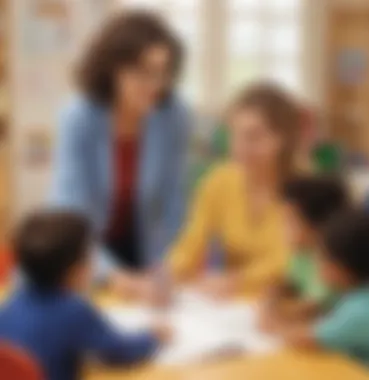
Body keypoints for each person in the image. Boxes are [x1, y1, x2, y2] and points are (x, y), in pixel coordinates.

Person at [49, 11, 191, 295]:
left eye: (162, 72)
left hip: (146, 251)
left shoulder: (174, 116)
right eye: (143, 72)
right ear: (113, 68)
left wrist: (165, 266)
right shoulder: (78, 118)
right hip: (84, 254)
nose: (155, 85)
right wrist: (113, 276)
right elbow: (70, 213)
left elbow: (174, 204)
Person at [167, 82, 302, 297]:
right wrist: (166, 274)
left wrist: (240, 281)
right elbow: (191, 242)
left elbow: (293, 262)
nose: (240, 147)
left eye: (254, 137)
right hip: (232, 306)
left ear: (283, 139)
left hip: (289, 307)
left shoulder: (306, 190)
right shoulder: (219, 180)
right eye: (235, 135)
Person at [0, 211, 171, 380]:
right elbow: (120, 352)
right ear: (76, 270)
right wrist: (152, 336)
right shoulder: (73, 311)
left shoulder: (11, 304)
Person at [277, 210, 369, 370]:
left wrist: (278, 325)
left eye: (322, 257)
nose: (316, 263)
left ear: (341, 268)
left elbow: (303, 341)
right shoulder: (366, 292)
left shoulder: (359, 310)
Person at [259, 175, 350, 328]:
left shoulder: (333, 263)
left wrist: (273, 313)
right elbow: (290, 283)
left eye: (290, 222)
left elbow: (314, 308)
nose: (283, 230)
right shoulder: (301, 253)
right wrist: (272, 295)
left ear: (318, 227)